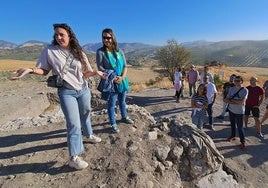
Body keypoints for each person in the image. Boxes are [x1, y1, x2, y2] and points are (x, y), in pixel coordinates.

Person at [10, 23, 106, 170]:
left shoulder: (78, 51)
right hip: (66, 92)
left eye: (61, 34)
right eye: (56, 35)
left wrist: (96, 73)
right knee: (73, 123)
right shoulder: (50, 51)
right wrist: (30, 70)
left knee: (86, 114)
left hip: (83, 90)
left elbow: (85, 73)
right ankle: (74, 157)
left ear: (69, 35)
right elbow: (44, 70)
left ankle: (88, 135)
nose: (58, 37)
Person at [96, 28, 134, 133]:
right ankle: (113, 123)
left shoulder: (119, 51)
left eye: (108, 37)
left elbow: (125, 66)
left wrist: (121, 77)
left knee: (122, 101)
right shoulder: (100, 52)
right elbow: (100, 68)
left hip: (122, 80)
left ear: (113, 38)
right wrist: (112, 76)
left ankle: (124, 117)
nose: (106, 40)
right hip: (111, 82)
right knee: (111, 104)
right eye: (104, 38)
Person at [224, 75, 248, 150]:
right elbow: (225, 99)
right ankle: (233, 136)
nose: (236, 82)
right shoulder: (231, 89)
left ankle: (242, 142)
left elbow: (241, 102)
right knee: (232, 124)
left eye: (238, 81)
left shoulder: (245, 90)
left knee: (240, 127)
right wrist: (236, 101)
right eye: (235, 81)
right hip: (231, 110)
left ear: (242, 81)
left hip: (239, 112)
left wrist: (231, 100)